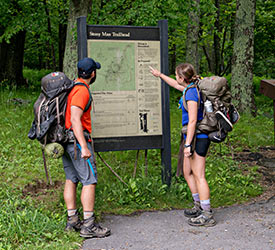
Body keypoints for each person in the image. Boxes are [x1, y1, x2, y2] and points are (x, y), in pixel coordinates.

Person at [149, 63, 216, 227]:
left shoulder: (192, 93)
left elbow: (193, 120)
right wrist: (159, 75)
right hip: (191, 136)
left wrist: (187, 145)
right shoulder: (189, 88)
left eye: (176, 76)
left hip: (198, 137)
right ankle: (198, 205)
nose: (175, 78)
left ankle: (207, 214)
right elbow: (174, 84)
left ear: (182, 78)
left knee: (199, 175)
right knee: (187, 172)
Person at [63, 57, 111, 238]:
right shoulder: (81, 91)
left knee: (71, 179)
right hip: (76, 143)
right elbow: (75, 119)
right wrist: (83, 146)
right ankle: (88, 225)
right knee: (89, 181)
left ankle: (72, 220)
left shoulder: (72, 87)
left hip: (66, 141)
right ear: (92, 73)